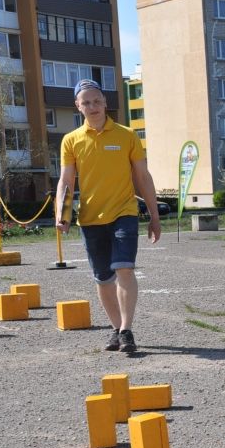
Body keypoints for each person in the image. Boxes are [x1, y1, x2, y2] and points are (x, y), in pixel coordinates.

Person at [55, 78, 162, 353]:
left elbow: (142, 176)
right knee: (103, 278)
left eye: (96, 101)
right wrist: (62, 213)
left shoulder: (127, 135)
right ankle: (116, 329)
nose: (92, 106)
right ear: (78, 106)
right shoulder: (71, 140)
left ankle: (126, 329)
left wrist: (154, 215)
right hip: (90, 218)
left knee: (124, 268)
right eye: (86, 102)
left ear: (105, 103)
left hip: (123, 212)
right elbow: (66, 181)